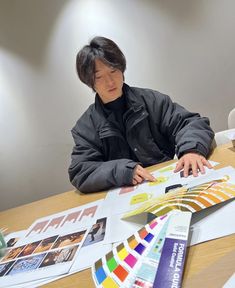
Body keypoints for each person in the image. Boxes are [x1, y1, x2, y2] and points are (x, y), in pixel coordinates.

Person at [69, 36, 214, 193]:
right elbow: (81, 170)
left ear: (122, 69)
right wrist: (121, 170)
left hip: (168, 184)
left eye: (113, 70)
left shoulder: (151, 101)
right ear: (89, 81)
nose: (110, 82)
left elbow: (191, 123)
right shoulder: (85, 126)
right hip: (123, 196)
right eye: (99, 77)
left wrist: (191, 150)